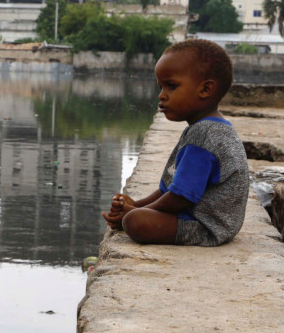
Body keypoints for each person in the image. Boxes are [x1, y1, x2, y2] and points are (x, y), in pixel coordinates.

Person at [102, 39, 249, 246]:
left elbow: (180, 199)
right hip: (212, 221)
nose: (162, 96)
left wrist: (135, 211)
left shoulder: (204, 135)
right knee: (134, 216)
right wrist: (137, 203)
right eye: (161, 87)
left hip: (206, 227)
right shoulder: (210, 126)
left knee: (135, 222)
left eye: (171, 86)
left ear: (205, 89)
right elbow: (170, 189)